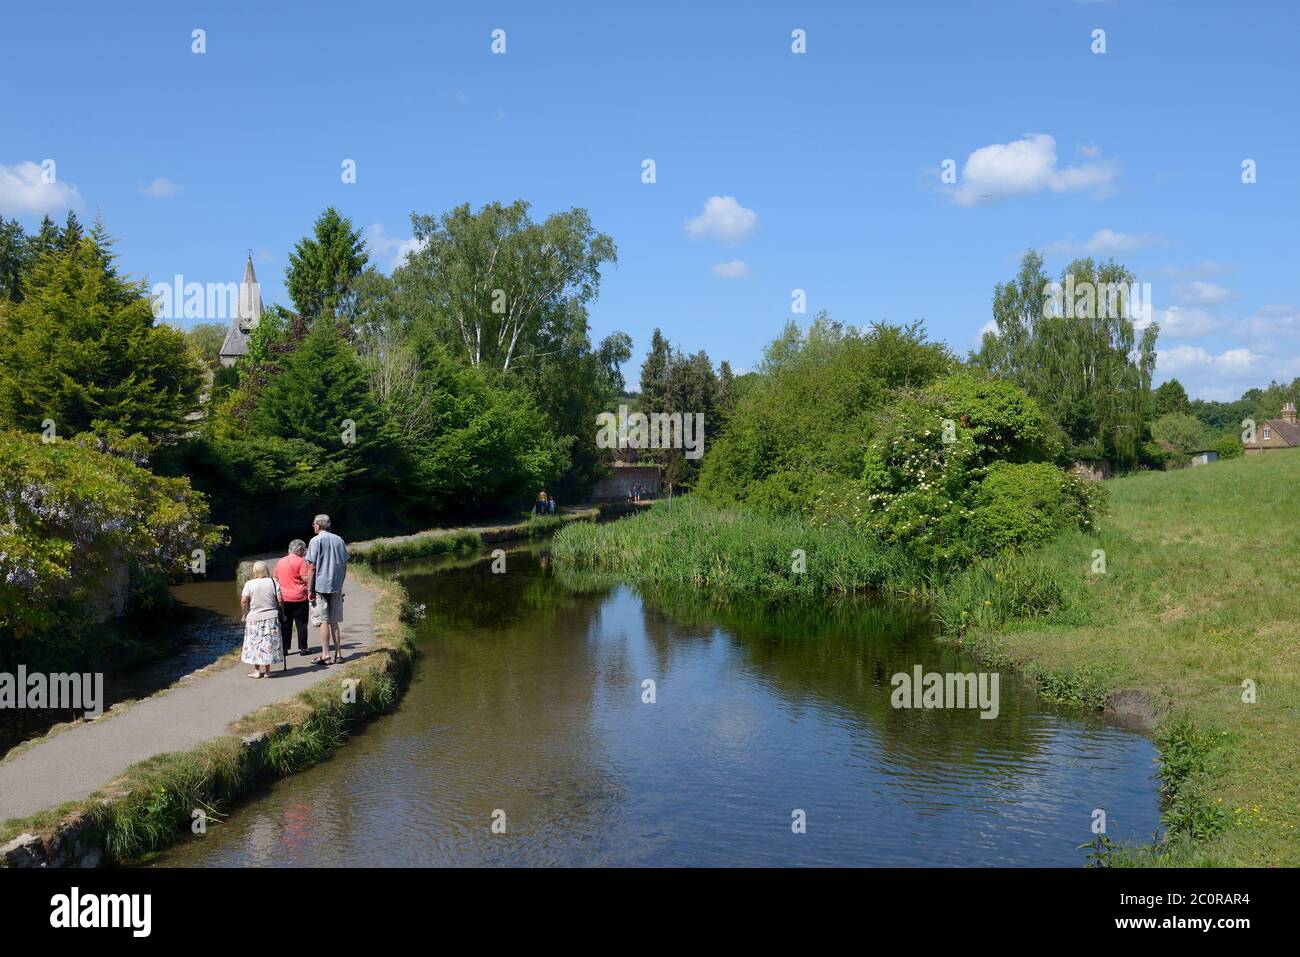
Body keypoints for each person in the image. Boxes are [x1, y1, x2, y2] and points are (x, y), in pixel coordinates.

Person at [305, 514, 349, 665]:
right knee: (334, 621)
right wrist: (340, 584)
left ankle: (326, 656)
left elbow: (311, 567)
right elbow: (344, 566)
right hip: (336, 586)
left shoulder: (315, 541)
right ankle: (339, 655)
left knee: (323, 621)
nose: (313, 526)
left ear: (318, 525)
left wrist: (309, 590)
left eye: (313, 524)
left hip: (320, 587)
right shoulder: (339, 539)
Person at [240, 561, 283, 678]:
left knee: (255, 644)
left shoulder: (249, 584)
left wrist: (244, 614)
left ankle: (256, 671)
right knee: (268, 644)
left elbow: (244, 601)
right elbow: (280, 600)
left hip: (254, 618)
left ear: (254, 571)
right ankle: (268, 671)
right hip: (271, 618)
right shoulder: (273, 582)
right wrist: (281, 611)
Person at [275, 539, 311, 655]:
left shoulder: (280, 561)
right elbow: (305, 578)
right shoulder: (301, 562)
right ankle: (303, 648)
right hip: (299, 597)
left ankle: (285, 649)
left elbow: (275, 579)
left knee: (285, 623)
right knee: (301, 623)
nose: (304, 552)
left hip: (284, 598)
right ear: (298, 549)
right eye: (303, 550)